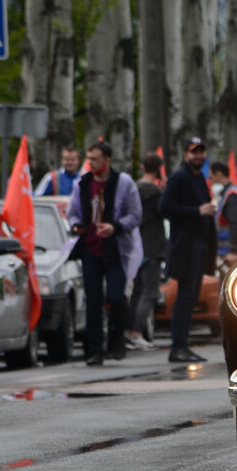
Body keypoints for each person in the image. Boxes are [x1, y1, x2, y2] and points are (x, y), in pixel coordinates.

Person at [67, 140, 143, 365]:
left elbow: (136, 214)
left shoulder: (123, 182)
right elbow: (71, 212)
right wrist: (76, 225)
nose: (90, 163)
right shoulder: (82, 184)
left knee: (116, 297)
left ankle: (117, 343)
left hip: (116, 250)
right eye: (88, 158)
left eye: (95, 159)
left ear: (107, 160)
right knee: (93, 300)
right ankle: (94, 350)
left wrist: (115, 226)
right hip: (90, 249)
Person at [160, 137, 217, 363]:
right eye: (194, 152)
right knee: (184, 298)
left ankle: (183, 345)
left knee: (191, 297)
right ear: (185, 154)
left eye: (201, 152)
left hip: (199, 247)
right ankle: (178, 347)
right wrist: (197, 211)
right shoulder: (179, 177)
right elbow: (165, 207)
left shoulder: (199, 177)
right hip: (185, 248)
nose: (198, 156)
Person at [126, 153, 166, 351]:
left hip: (136, 246)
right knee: (150, 292)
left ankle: (130, 332)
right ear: (159, 169)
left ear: (142, 167)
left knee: (137, 292)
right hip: (153, 246)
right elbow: (165, 212)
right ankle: (136, 332)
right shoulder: (156, 194)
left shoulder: (133, 190)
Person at [213, 161, 237, 264]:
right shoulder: (228, 194)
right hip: (230, 253)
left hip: (234, 254)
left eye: (212, 176)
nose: (211, 179)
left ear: (219, 174)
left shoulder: (232, 195)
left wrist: (234, 251)